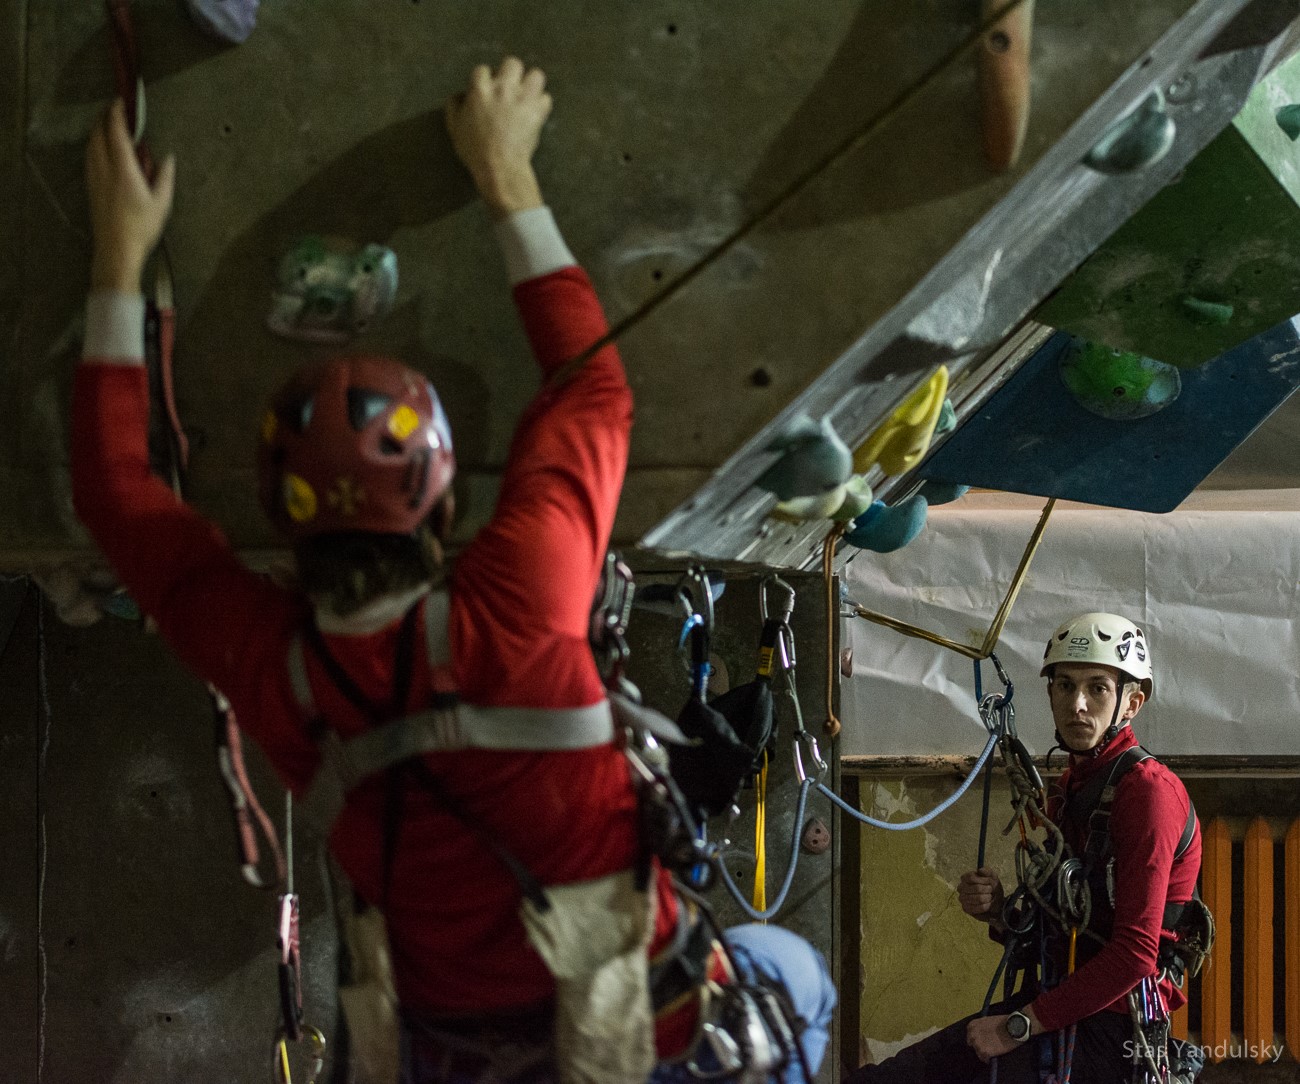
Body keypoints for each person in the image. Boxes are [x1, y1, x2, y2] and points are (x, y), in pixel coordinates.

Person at [76, 55, 833, 1084]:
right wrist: (504, 171)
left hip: (467, 1057)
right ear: (438, 501)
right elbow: (591, 391)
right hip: (637, 1038)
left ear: (281, 517)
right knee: (793, 973)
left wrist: (113, 261)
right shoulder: (513, 598)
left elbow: (116, 497)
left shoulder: (283, 671)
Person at [845, 612, 1202, 1084]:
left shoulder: (1148, 794)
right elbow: (1060, 925)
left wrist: (1020, 1025)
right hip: (1061, 1001)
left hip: (1116, 1023)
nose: (1078, 705)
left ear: (1131, 702)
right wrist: (999, 913)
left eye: (1098, 689)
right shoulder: (1071, 787)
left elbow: (1135, 953)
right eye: (1064, 686)